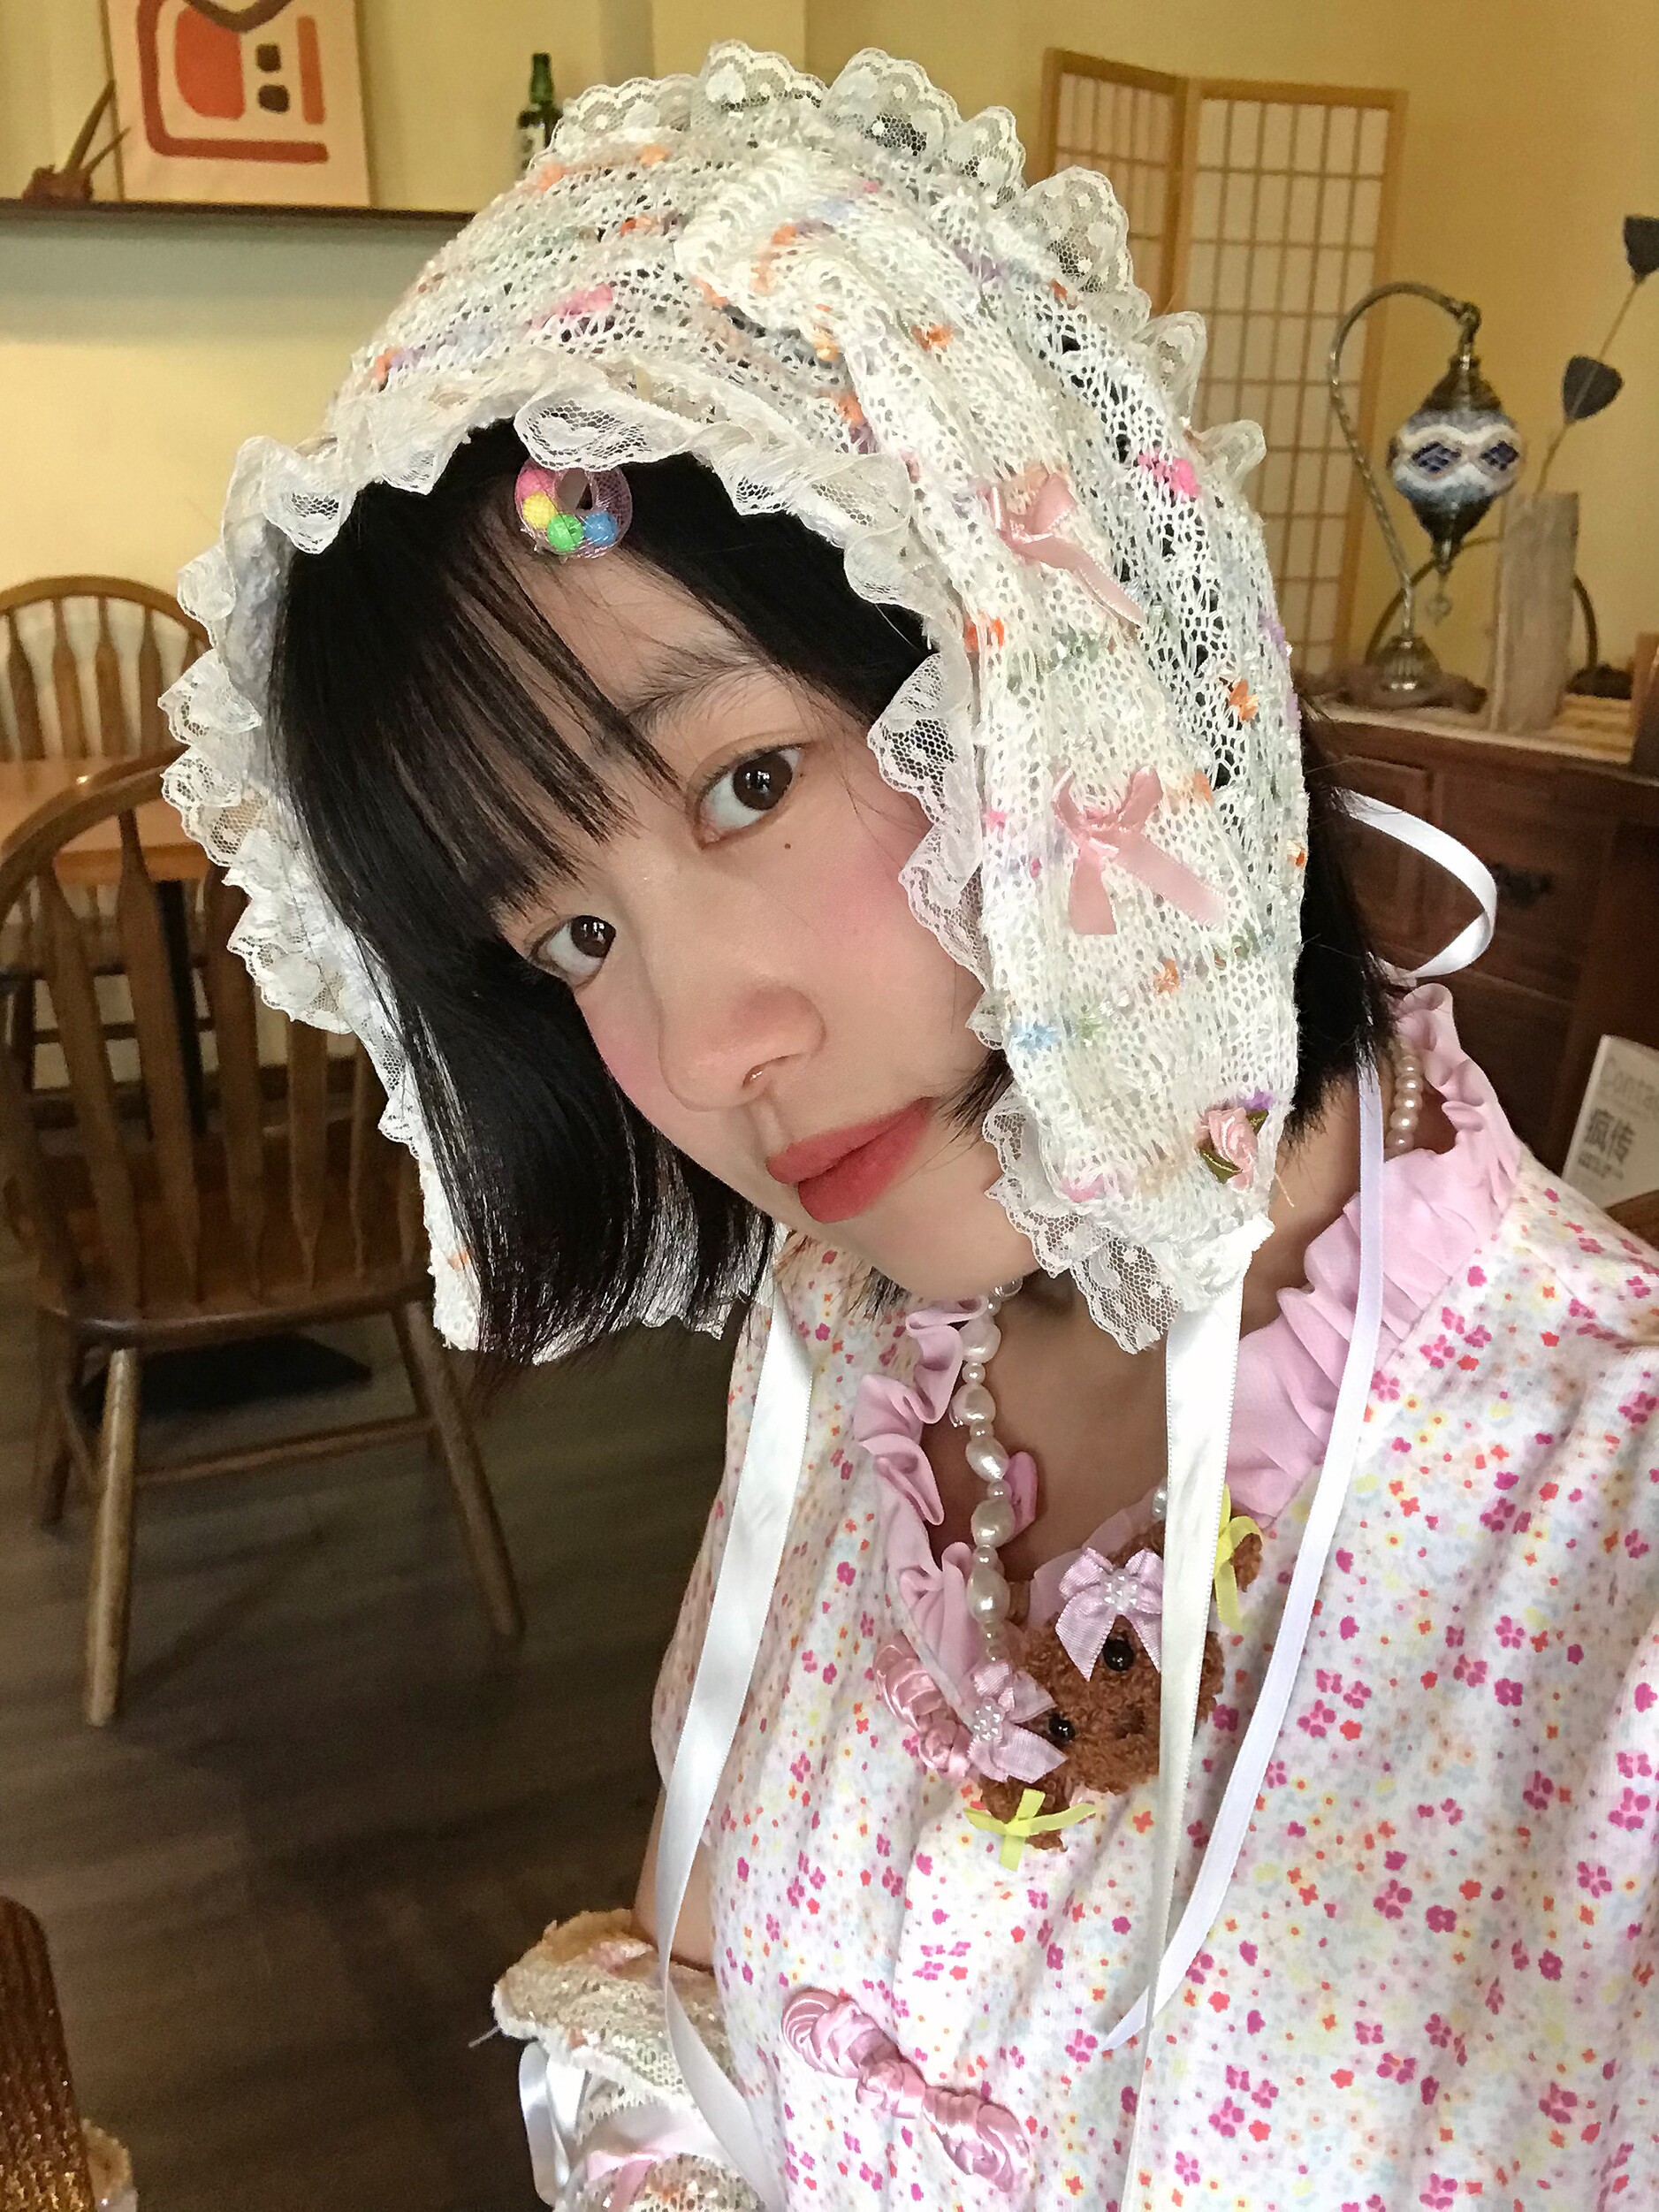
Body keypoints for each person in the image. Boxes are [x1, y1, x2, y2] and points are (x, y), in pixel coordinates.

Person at [164, 44, 1659, 2212]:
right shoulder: (849, 1353)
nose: (705, 1049)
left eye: (750, 781)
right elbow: (687, 1997)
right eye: (572, 935)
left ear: (1085, 654)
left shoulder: (1608, 1548)